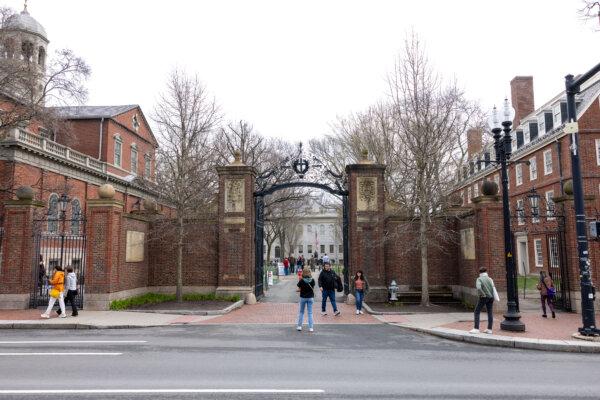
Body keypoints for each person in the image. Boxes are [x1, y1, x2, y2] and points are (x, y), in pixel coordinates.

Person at [469, 267, 496, 334]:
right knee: (490, 312)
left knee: (477, 311)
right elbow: (493, 288)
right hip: (491, 297)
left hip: (484, 297)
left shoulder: (479, 279)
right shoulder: (490, 279)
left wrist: (483, 294)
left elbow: (478, 288)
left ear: (480, 272)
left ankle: (476, 328)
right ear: (486, 271)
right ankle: (489, 329)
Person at [296, 267, 316, 332]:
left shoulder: (301, 280)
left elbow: (299, 289)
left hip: (303, 297)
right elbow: (313, 287)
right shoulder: (312, 280)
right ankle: (311, 327)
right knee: (310, 313)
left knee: (301, 312)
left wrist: (298, 290)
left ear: (303, 272)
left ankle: (299, 326)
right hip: (310, 297)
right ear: (309, 272)